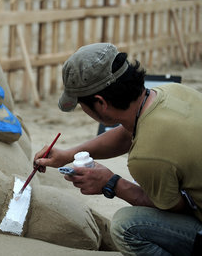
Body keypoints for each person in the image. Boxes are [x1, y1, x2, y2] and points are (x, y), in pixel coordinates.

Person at [34, 42, 202, 255]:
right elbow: (126, 134)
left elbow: (175, 208)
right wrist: (68, 155)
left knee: (127, 226)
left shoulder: (146, 156)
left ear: (101, 103)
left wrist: (111, 183)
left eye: (81, 105)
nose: (83, 110)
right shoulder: (170, 93)